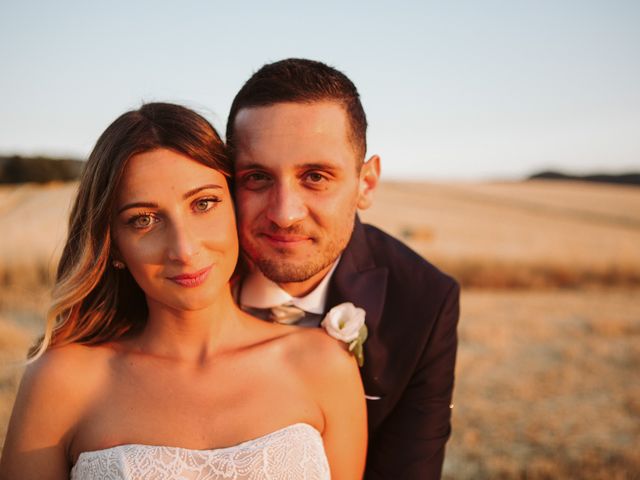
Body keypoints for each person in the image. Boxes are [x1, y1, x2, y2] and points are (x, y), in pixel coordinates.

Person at [0, 102, 367, 480]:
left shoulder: (323, 366)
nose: (184, 249)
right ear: (112, 245)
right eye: (144, 219)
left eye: (203, 203)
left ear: (236, 206)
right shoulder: (60, 381)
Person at [226, 59, 460, 479]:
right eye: (257, 177)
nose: (284, 214)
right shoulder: (178, 277)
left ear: (365, 184)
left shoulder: (423, 300)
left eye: (315, 176)